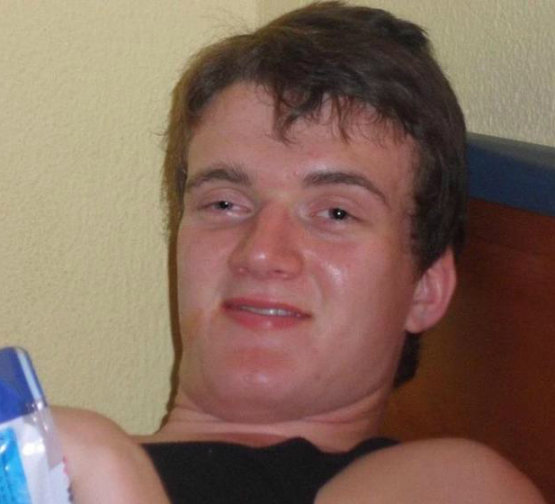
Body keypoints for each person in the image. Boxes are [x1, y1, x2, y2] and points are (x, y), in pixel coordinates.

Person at [54, 2, 545, 503]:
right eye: (224, 203)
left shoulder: (452, 485)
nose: (261, 253)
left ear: (425, 289)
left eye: (336, 213)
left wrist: (109, 470)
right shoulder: (61, 457)